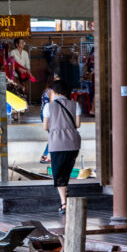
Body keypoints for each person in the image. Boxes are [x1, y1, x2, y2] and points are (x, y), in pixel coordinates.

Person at [43, 76, 81, 213]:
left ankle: (64, 203)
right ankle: (66, 195)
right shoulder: (75, 104)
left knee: (58, 174)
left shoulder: (49, 106)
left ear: (55, 92)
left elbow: (45, 127)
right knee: (66, 171)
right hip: (73, 143)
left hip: (57, 143)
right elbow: (77, 124)